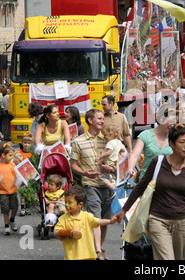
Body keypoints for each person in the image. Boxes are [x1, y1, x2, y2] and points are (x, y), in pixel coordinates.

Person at [111, 124, 185, 260]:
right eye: (182, 142)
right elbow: (140, 186)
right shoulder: (158, 162)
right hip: (158, 220)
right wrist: (124, 210)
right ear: (171, 143)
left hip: (182, 222)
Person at [70, 109, 115, 260]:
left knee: (105, 219)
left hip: (108, 184)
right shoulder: (78, 141)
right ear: (90, 120)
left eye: (103, 119)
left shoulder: (109, 140)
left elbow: (119, 159)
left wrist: (111, 168)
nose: (103, 121)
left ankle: (101, 247)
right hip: (90, 184)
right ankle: (97, 251)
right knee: (95, 217)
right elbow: (73, 165)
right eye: (100, 119)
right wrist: (84, 173)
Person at [53, 185, 115, 260]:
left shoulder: (87, 216)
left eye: (70, 202)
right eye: (65, 202)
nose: (66, 205)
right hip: (71, 257)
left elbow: (98, 221)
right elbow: (56, 232)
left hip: (88, 256)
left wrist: (110, 221)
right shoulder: (63, 218)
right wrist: (69, 232)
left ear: (80, 204)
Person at [127, 106, 173, 180]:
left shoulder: (174, 136)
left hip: (167, 182)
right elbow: (134, 155)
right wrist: (130, 168)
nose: (172, 125)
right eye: (170, 122)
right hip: (147, 181)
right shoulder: (145, 135)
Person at [0, 143, 20, 235]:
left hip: (13, 190)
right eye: (10, 155)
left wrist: (20, 179)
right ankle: (6, 226)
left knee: (15, 208)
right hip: (2, 191)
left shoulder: (12, 165)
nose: (12, 157)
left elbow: (17, 175)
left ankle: (12, 220)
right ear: (3, 155)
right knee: (5, 209)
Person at [95, 124, 127, 193]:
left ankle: (112, 188)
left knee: (101, 177)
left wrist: (99, 157)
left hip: (108, 163)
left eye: (105, 135)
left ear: (111, 134)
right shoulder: (119, 142)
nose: (104, 137)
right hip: (115, 164)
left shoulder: (110, 143)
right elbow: (123, 150)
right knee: (113, 177)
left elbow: (109, 152)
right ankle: (115, 188)